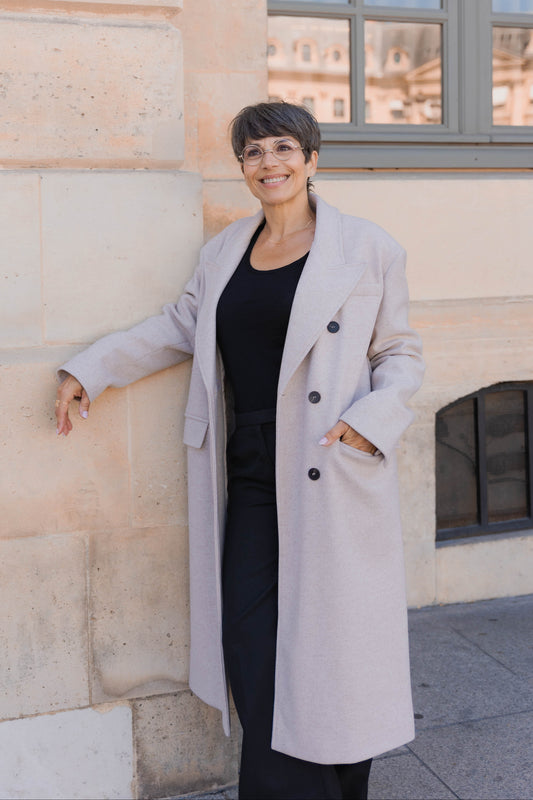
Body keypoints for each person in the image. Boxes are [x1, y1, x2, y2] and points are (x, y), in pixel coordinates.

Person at [55, 101, 424, 800]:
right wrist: (91, 368)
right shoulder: (225, 250)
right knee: (250, 639)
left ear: (311, 159)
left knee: (330, 647)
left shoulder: (366, 247)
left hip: (328, 460)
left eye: (283, 148)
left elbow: (399, 352)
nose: (268, 163)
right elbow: (180, 325)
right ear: (243, 168)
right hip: (251, 465)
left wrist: (368, 422)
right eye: (253, 152)